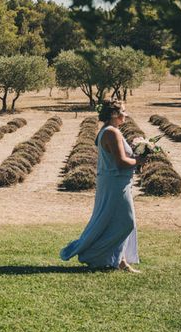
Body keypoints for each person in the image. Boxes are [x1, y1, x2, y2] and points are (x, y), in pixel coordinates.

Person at [59, 99, 142, 272]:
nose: (125, 115)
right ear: (114, 114)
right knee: (127, 222)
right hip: (115, 182)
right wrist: (140, 159)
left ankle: (120, 261)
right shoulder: (112, 132)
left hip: (116, 181)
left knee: (113, 221)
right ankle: (92, 254)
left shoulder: (108, 130)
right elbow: (120, 162)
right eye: (123, 112)